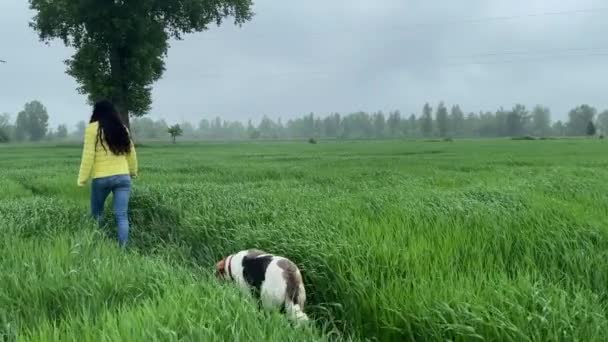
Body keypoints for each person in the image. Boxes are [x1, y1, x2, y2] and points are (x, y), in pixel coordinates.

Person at [77, 100, 138, 248]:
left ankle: (98, 245)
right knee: (121, 215)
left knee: (97, 214)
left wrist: (82, 179)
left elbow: (88, 155)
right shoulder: (122, 128)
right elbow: (131, 153)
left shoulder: (92, 129)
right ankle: (123, 248)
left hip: (101, 178)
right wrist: (133, 171)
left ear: (96, 112)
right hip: (123, 177)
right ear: (113, 113)